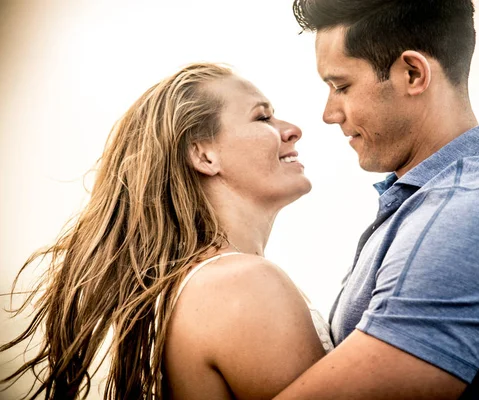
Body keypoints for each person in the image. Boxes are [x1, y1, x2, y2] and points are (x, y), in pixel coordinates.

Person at [274, 0, 479, 399]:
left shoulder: (477, 213)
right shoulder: (436, 203)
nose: (329, 113)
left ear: (413, 73)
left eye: (341, 86)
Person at [0, 62, 333, 400]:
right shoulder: (242, 283)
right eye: (263, 117)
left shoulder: (199, 282)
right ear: (204, 155)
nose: (292, 130)